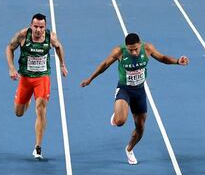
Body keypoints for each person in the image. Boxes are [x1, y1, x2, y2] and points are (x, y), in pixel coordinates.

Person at [80, 33, 188, 165]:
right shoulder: (119, 51)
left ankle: (129, 149)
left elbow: (163, 58)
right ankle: (118, 114)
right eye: (131, 50)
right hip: (124, 89)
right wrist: (90, 79)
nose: (134, 52)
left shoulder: (147, 48)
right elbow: (104, 65)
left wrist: (177, 61)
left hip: (140, 92)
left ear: (140, 44)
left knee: (140, 127)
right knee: (120, 121)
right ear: (126, 47)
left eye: (136, 49)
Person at [6, 13, 68, 160]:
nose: (38, 30)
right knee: (18, 112)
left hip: (42, 77)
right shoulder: (22, 35)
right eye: (36, 26)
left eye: (41, 27)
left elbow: (58, 47)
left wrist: (62, 64)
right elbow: (9, 48)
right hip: (26, 78)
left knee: (41, 108)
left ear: (45, 27)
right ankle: (27, 99)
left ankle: (38, 147)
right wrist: (11, 68)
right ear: (31, 25)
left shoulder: (50, 37)